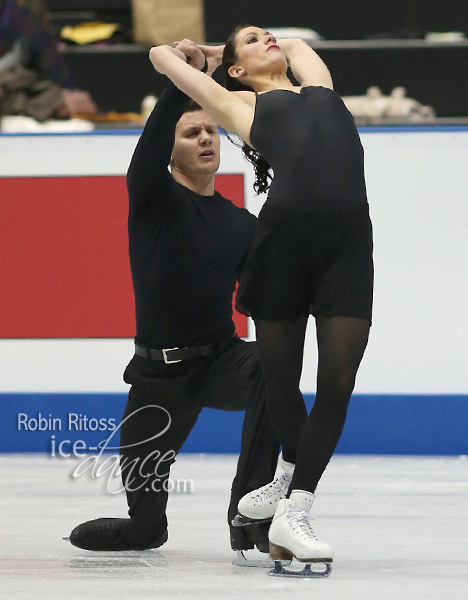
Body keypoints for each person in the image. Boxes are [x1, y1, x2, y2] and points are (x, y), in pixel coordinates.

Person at [149, 25, 373, 576]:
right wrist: (200, 57)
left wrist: (226, 49)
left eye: (265, 32)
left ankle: (294, 501)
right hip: (282, 248)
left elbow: (297, 45)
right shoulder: (238, 107)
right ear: (236, 71)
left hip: (347, 249)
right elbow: (159, 56)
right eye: (252, 40)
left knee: (339, 383)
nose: (269, 39)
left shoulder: (319, 87)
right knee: (278, 377)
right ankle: (290, 487)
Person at [68, 39, 279, 561]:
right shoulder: (154, 198)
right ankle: (144, 526)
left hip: (220, 359)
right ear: (172, 147)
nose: (206, 138)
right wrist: (183, 78)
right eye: (192, 132)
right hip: (157, 377)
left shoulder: (240, 225)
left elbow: (270, 289)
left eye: (211, 130)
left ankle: (248, 506)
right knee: (145, 526)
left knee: (272, 366)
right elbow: (154, 132)